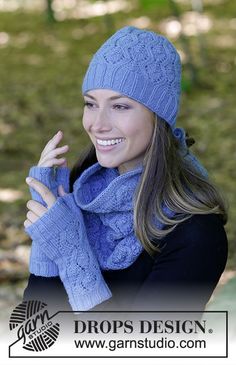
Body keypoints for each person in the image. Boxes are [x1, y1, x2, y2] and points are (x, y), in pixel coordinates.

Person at [23, 26, 228, 313]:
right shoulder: (80, 191)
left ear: (158, 117)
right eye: (90, 104)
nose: (98, 124)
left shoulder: (195, 233)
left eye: (120, 106)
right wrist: (50, 220)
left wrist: (71, 254)